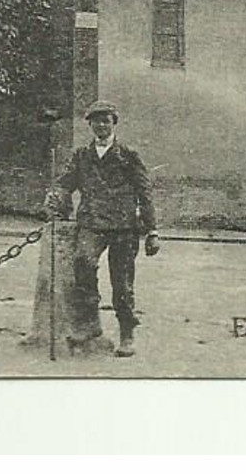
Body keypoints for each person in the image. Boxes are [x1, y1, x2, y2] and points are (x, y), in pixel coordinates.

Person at [48, 100, 159, 357]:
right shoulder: (82, 156)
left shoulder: (128, 155)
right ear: (90, 125)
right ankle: (89, 325)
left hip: (123, 227)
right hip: (92, 224)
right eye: (96, 121)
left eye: (105, 120)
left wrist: (152, 231)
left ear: (113, 123)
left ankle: (127, 334)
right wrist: (57, 195)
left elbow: (145, 193)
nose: (101, 125)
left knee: (121, 284)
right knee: (83, 262)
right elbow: (66, 183)